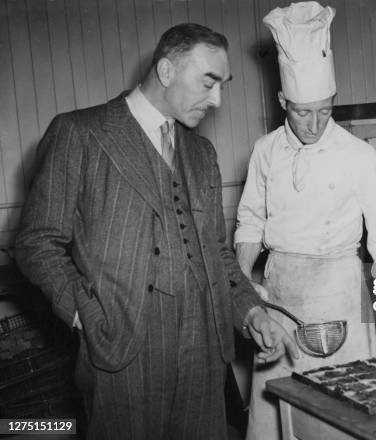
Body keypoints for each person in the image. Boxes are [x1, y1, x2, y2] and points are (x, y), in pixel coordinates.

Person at [14, 23, 298, 440]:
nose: (217, 99)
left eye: (223, 85)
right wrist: (84, 315)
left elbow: (216, 253)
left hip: (204, 354)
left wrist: (251, 311)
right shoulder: (81, 134)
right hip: (121, 353)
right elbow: (37, 241)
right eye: (209, 82)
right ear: (166, 70)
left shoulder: (201, 153)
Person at [233, 3, 376, 439]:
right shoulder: (265, 152)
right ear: (282, 102)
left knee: (341, 412)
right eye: (301, 112)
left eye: (324, 111)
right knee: (277, 409)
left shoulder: (358, 155)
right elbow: (250, 224)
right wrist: (240, 290)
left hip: (340, 292)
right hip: (281, 292)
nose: (313, 125)